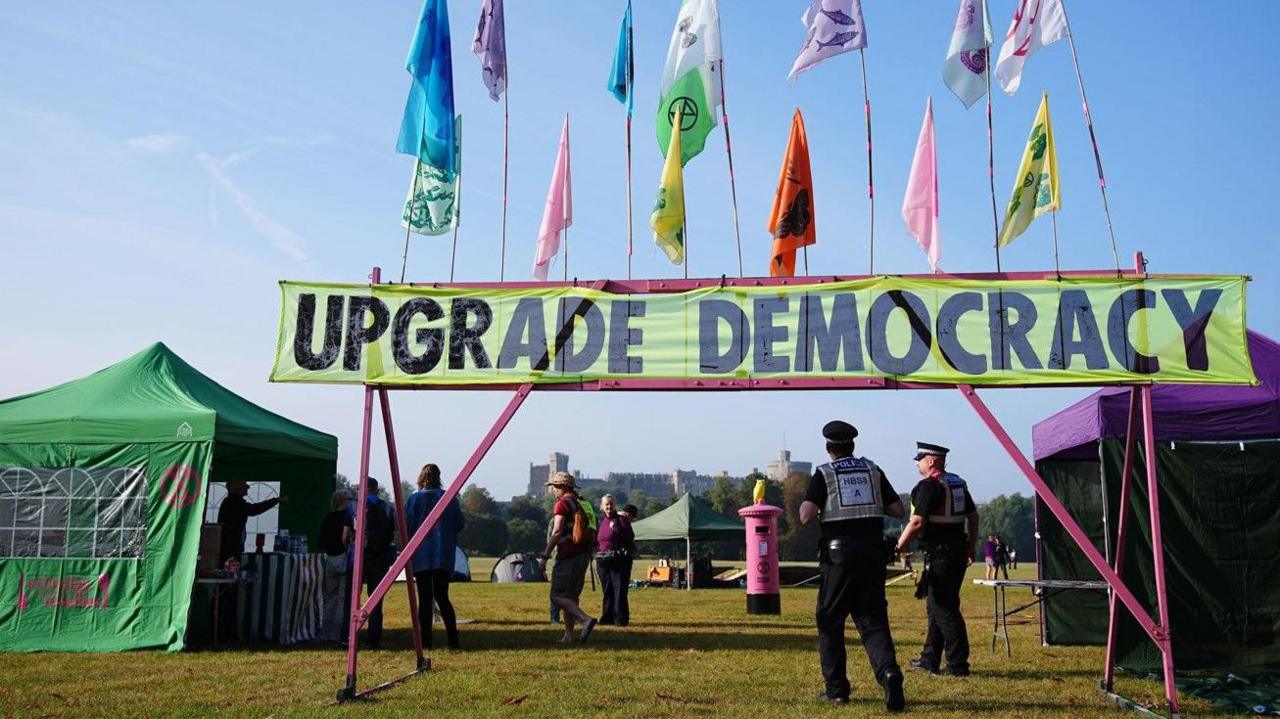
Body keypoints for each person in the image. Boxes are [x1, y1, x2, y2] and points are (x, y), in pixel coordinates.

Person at [800, 420, 906, 712]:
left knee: (830, 619)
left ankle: (836, 690)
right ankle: (889, 673)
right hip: (873, 553)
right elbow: (898, 510)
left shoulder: (824, 473)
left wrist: (812, 504)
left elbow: (806, 516)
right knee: (872, 620)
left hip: (839, 557)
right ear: (852, 445)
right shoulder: (873, 470)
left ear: (828, 447)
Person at [895, 442, 980, 677]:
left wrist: (898, 546)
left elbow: (917, 522)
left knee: (944, 607)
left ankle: (958, 664)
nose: (917, 463)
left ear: (931, 461)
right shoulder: (957, 484)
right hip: (957, 550)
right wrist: (971, 547)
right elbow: (973, 517)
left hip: (941, 553)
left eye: (920, 458)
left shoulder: (929, 486)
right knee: (936, 607)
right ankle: (929, 658)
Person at [405, 464, 465, 650]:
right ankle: (453, 641)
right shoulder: (449, 499)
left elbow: (406, 524)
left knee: (424, 598)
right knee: (442, 596)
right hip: (443, 553)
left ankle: (426, 642)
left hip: (421, 553)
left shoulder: (413, 500)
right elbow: (459, 523)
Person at [538, 472, 598, 645]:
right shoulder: (582, 503)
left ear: (563, 487)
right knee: (571, 597)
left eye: (555, 487)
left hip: (567, 554)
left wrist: (545, 556)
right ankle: (569, 635)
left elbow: (557, 531)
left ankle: (585, 619)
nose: (553, 490)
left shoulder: (562, 504)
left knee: (556, 596)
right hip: (583, 554)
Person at [346, 476, 397, 649]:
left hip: (360, 556)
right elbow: (392, 531)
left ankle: (349, 636)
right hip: (380, 556)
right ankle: (373, 639)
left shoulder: (353, 506)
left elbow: (347, 533)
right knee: (375, 599)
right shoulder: (387, 507)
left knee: (353, 598)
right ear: (376, 489)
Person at [217, 479, 282, 563]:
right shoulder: (234, 503)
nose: (248, 487)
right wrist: (276, 500)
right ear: (237, 489)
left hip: (232, 546)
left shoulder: (231, 502)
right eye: (244, 485)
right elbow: (254, 510)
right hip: (230, 548)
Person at [319, 489, 353, 642]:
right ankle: (339, 633)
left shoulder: (328, 517)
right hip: (343, 557)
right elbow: (345, 538)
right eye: (349, 498)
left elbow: (321, 541)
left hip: (330, 559)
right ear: (343, 500)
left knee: (329, 598)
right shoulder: (348, 518)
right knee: (343, 599)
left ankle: (326, 632)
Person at [596, 493, 634, 627]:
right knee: (607, 591)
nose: (609, 506)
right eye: (606, 504)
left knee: (619, 590)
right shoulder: (601, 522)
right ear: (602, 506)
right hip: (603, 560)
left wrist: (617, 530)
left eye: (611, 504)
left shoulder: (621, 520)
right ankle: (607, 617)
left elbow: (630, 537)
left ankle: (620, 619)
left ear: (614, 505)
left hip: (619, 560)